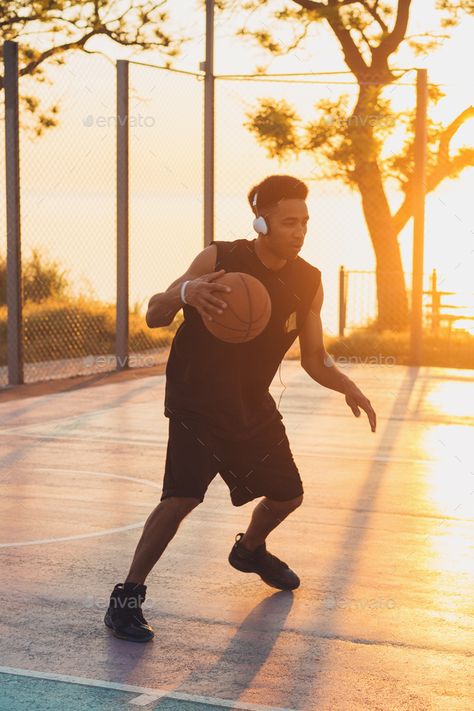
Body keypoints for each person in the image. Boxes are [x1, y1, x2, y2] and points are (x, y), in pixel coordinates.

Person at [104, 174, 377, 642]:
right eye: (289, 221)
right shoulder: (221, 258)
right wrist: (185, 292)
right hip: (196, 401)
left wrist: (347, 384)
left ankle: (249, 550)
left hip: (250, 403)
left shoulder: (308, 281)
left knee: (289, 494)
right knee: (182, 498)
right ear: (261, 221)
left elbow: (314, 357)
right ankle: (126, 598)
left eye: (305, 222)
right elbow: (154, 313)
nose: (299, 230)